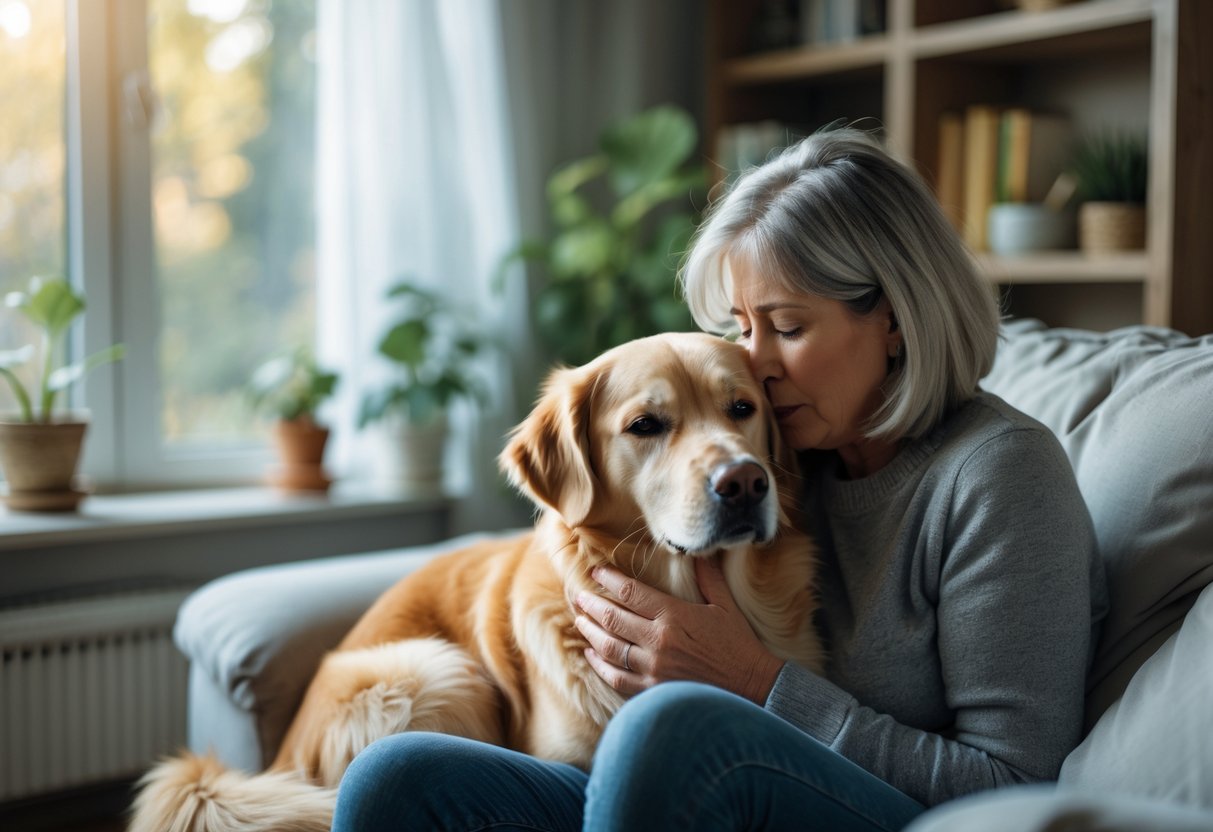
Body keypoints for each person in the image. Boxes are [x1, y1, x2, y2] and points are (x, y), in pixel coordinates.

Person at [331, 127, 1107, 831]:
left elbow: (1016, 781)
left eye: (789, 327)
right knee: (396, 776)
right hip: (702, 784)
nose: (755, 363)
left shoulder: (1000, 474)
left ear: (895, 318)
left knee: (667, 727)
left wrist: (753, 679)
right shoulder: (789, 448)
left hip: (888, 813)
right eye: (742, 327)